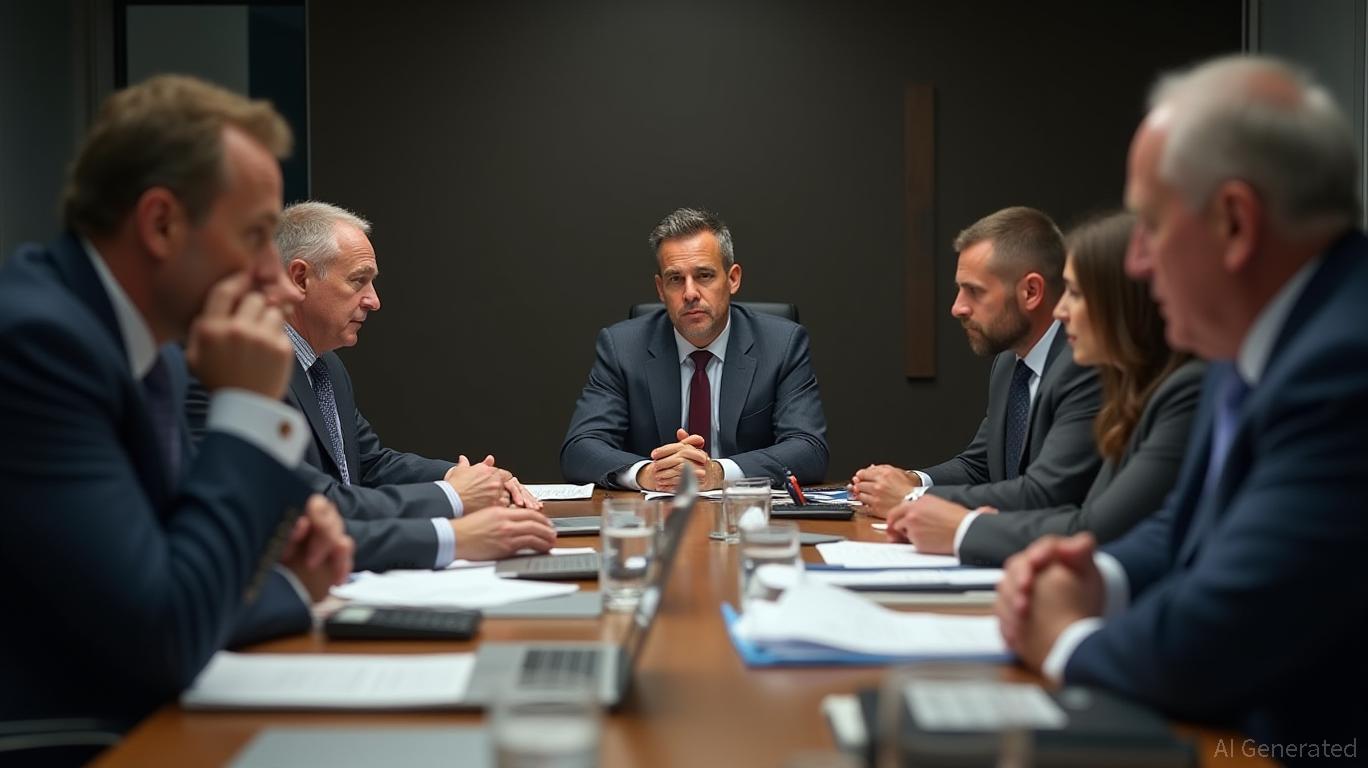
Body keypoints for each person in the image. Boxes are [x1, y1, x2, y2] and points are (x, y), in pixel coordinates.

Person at [997, 55, 1368, 756]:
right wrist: (1099, 578)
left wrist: (1066, 640)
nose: (1137, 263)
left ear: (1234, 223)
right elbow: (1188, 523)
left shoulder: (1344, 366)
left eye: (1151, 224)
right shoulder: (1246, 342)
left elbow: (1226, 633)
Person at [0, 75, 352, 736]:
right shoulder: (38, 346)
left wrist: (289, 580)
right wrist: (247, 411)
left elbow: (170, 587)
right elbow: (161, 635)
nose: (278, 282)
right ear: (161, 223)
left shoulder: (153, 355)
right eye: (255, 236)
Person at [886, 212, 1203, 565]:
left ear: (1125, 306)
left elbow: (1085, 524)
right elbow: (988, 466)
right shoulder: (1128, 391)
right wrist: (915, 485)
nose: (1062, 310)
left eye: (1076, 294)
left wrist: (961, 527)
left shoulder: (1180, 392)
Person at [267, 201, 556, 569]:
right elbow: (315, 501)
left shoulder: (327, 366)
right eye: (358, 280)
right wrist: (452, 497)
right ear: (300, 279)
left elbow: (368, 464)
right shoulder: (253, 371)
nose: (374, 300)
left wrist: (462, 477)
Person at [852, 207, 1102, 516]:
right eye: (960, 289)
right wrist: (913, 480)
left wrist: (912, 498)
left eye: (974, 291)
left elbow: (1045, 492)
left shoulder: (1084, 364)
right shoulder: (1009, 363)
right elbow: (980, 465)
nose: (957, 308)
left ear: (1031, 291)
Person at [561, 207, 828, 491]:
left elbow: (809, 448)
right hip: (658, 514)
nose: (690, 293)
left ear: (733, 278)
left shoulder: (782, 344)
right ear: (660, 288)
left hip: (745, 512)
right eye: (675, 279)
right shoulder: (622, 348)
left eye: (704, 275)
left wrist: (718, 473)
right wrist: (649, 474)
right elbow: (580, 447)